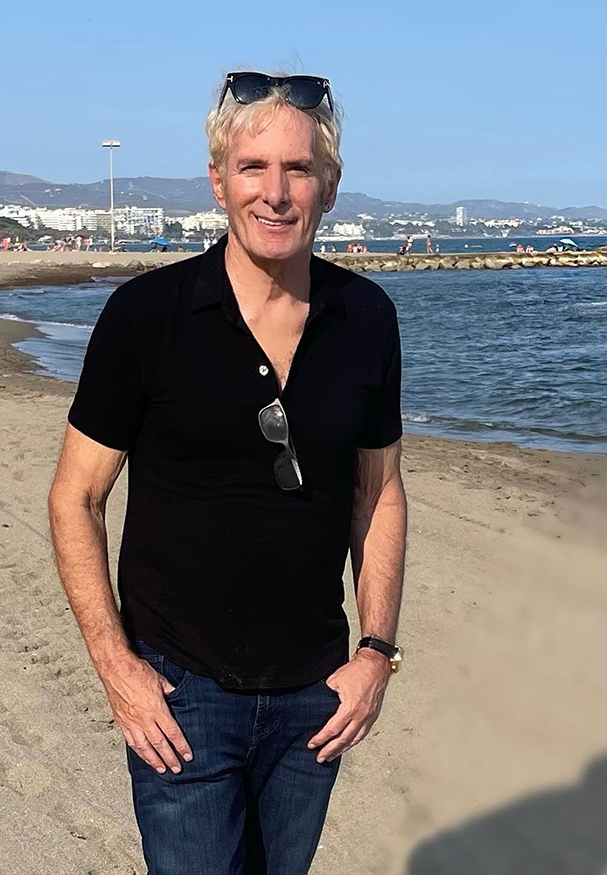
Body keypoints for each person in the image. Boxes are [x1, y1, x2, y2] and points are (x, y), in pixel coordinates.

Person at [48, 70, 407, 875]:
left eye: (298, 169)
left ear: (330, 186)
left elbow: (376, 493)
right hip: (181, 691)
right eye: (253, 168)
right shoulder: (147, 317)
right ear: (218, 181)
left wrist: (376, 652)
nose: (275, 193)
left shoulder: (368, 319)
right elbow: (76, 496)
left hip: (315, 694)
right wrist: (118, 669)